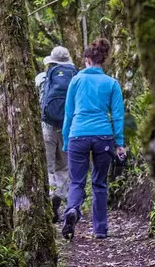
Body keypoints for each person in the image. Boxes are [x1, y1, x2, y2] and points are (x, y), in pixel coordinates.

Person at [61, 38, 125, 240]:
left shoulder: (76, 80)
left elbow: (68, 114)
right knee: (99, 183)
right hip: (103, 136)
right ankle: (100, 230)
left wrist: (65, 140)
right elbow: (117, 115)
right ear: (102, 60)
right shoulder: (111, 83)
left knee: (76, 181)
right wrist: (120, 143)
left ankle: (72, 210)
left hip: (78, 134)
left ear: (87, 59)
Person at [35, 46, 77, 223]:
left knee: (48, 166)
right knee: (64, 167)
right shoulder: (75, 77)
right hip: (67, 127)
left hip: (47, 127)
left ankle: (50, 198)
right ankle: (58, 197)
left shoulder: (41, 78)